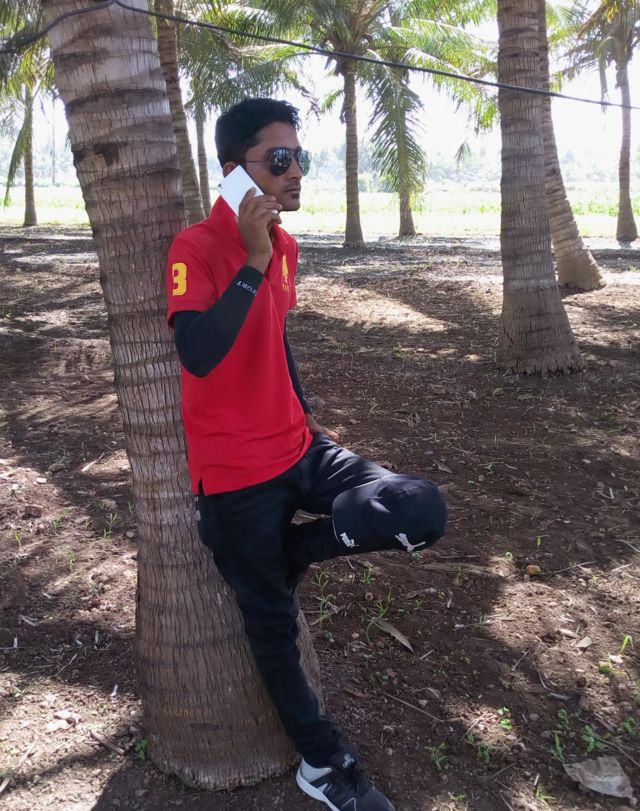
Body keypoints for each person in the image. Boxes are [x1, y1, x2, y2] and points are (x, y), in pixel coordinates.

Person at [166, 97, 447, 811]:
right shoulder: (195, 248)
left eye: (300, 159)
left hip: (302, 449)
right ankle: (324, 764)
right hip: (235, 479)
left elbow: (275, 337)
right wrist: (253, 260)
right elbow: (198, 352)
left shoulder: (287, 249)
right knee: (273, 632)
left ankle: (298, 551)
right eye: (280, 160)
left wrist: (302, 407)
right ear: (235, 171)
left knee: (419, 509)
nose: (295, 173)